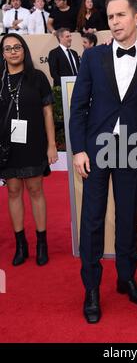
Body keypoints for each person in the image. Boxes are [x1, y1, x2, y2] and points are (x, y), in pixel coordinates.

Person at [69, 0, 137, 324]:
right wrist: (78, 150)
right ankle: (91, 289)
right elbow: (78, 109)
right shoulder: (92, 57)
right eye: (111, 17)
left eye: (121, 15)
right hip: (95, 149)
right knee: (91, 221)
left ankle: (126, 278)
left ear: (136, 17)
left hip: (132, 148)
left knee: (127, 220)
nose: (115, 22)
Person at [0, 33, 57, 266]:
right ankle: (21, 245)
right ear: (2, 54)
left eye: (17, 47)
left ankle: (41, 243)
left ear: (24, 50)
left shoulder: (37, 77)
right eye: (8, 48)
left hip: (33, 142)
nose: (13, 51)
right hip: (7, 146)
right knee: (13, 192)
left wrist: (52, 145)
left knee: (35, 190)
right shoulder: (1, 80)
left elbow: (47, 113)